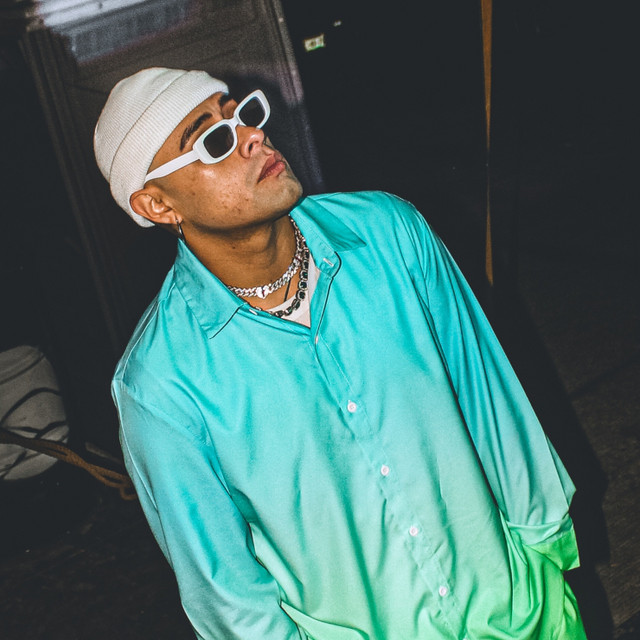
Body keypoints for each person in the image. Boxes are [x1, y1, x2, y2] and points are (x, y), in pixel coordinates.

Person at [94, 67, 587, 640]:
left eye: (242, 114)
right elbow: (228, 594)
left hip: (521, 613)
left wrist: (547, 558)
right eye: (214, 140)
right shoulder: (160, 384)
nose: (252, 136)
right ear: (158, 205)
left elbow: (490, 402)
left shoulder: (389, 234)